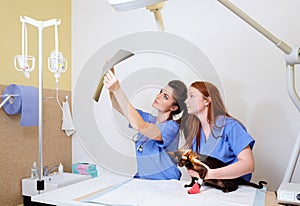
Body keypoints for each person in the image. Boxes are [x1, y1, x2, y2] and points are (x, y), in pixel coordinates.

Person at [103, 69, 188, 180]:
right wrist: (111, 80)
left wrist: (117, 89)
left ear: (173, 107)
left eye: (165, 96)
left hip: (166, 184)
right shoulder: (147, 118)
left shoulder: (171, 128)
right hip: (144, 182)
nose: (158, 96)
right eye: (160, 92)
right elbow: (116, 104)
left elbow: (140, 125)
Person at [182, 81, 255, 182]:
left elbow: (248, 165)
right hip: (209, 187)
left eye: (192, 96)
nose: (186, 101)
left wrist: (209, 174)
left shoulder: (230, 126)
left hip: (233, 188)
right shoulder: (195, 131)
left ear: (207, 101)